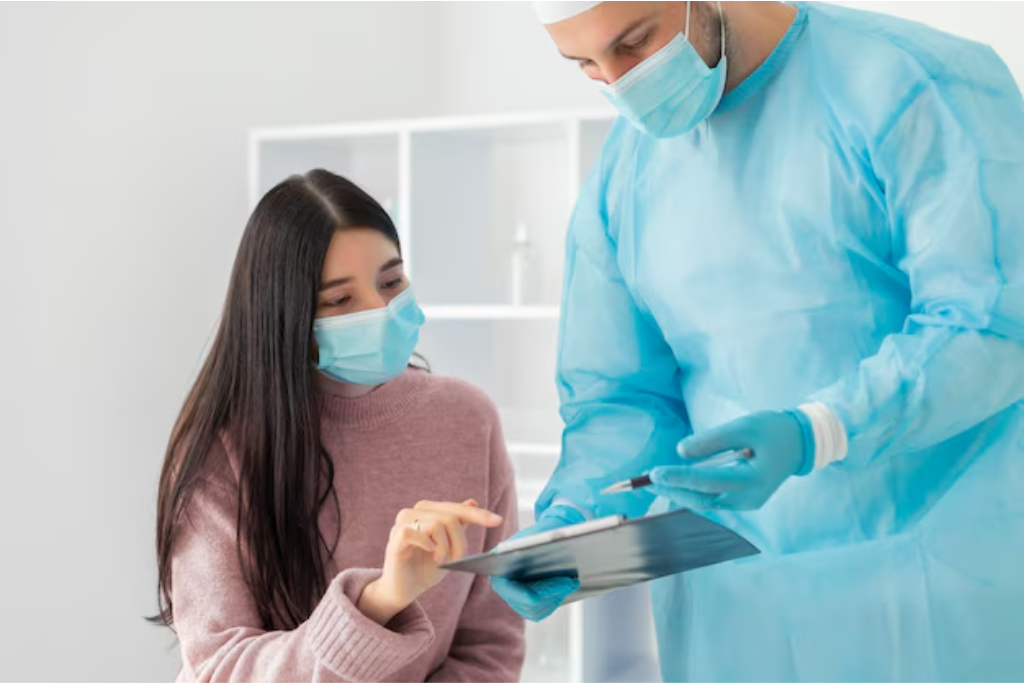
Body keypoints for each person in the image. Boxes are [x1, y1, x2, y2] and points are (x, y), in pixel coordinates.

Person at [493, 1, 1024, 680]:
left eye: (633, 44)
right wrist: (573, 523)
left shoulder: (911, 82)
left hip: (934, 593)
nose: (618, 81)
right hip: (737, 617)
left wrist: (818, 430)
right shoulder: (624, 179)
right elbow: (621, 398)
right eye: (587, 66)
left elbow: (990, 319)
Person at [151, 170, 524, 682]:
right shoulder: (222, 453)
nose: (381, 310)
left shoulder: (468, 419)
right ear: (286, 318)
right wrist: (380, 600)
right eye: (341, 301)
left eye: (391, 281)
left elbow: (490, 645)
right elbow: (221, 668)